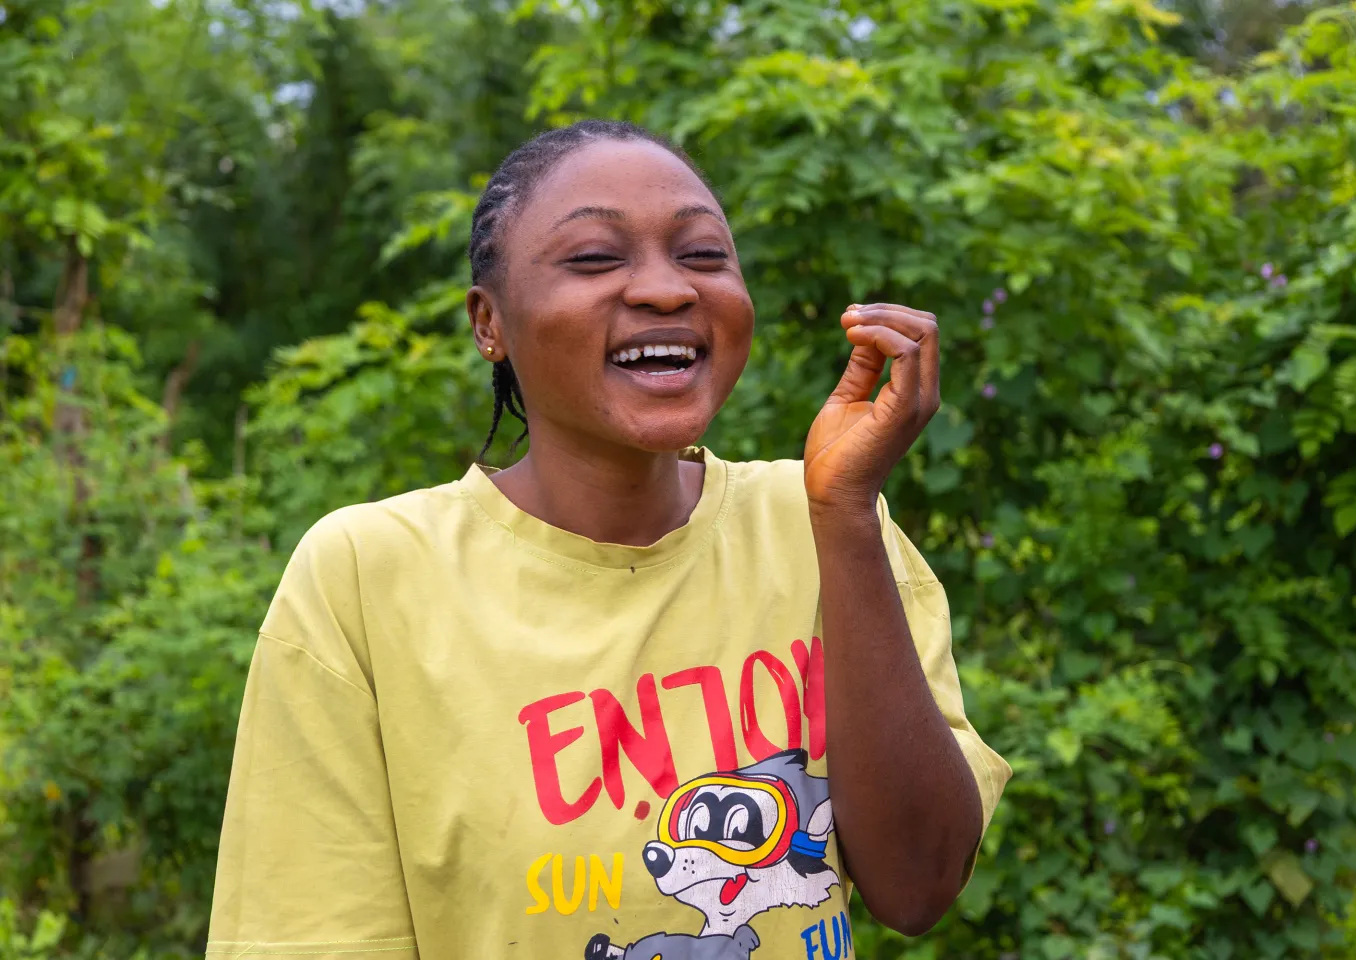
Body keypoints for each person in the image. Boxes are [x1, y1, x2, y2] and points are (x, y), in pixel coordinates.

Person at [206, 120, 1010, 960]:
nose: (666, 290)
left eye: (702, 256)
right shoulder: (367, 579)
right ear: (492, 324)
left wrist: (844, 519)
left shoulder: (821, 522)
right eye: (594, 259)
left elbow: (918, 887)